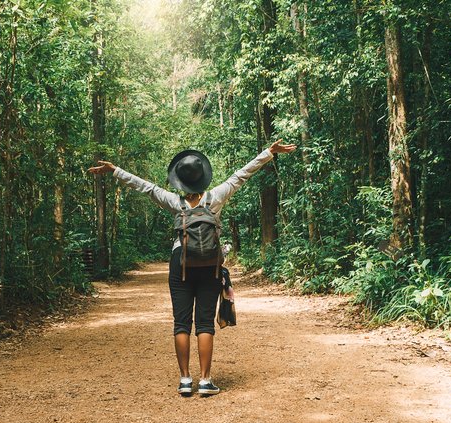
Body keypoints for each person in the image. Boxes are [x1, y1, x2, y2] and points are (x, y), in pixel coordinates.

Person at [88, 139, 296, 396]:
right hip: (210, 264)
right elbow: (242, 174)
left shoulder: (175, 202)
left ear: (180, 181)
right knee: (205, 323)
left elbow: (145, 187)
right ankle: (206, 381)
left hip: (181, 263)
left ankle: (186, 379)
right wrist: (268, 153)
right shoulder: (216, 197)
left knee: (181, 322)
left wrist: (114, 170)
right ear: (203, 178)